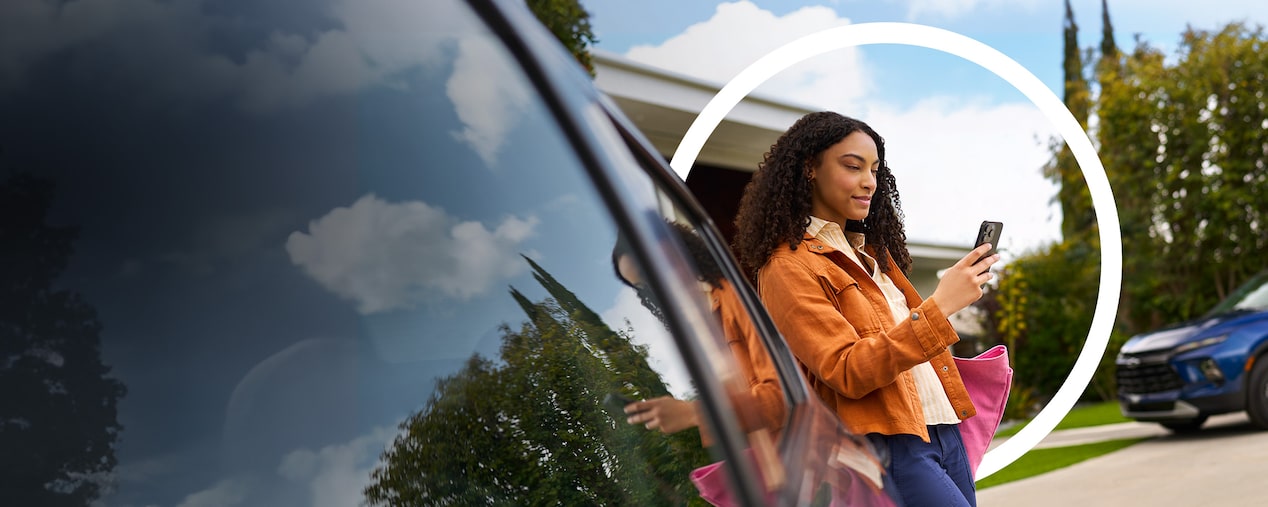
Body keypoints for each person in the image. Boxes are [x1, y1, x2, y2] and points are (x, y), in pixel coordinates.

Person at [732, 111, 998, 507]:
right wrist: (940, 306)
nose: (869, 182)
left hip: (944, 430)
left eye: (875, 170)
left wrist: (945, 302)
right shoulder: (787, 266)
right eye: (853, 166)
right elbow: (846, 369)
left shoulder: (871, 256)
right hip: (890, 446)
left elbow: (902, 345)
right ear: (809, 169)